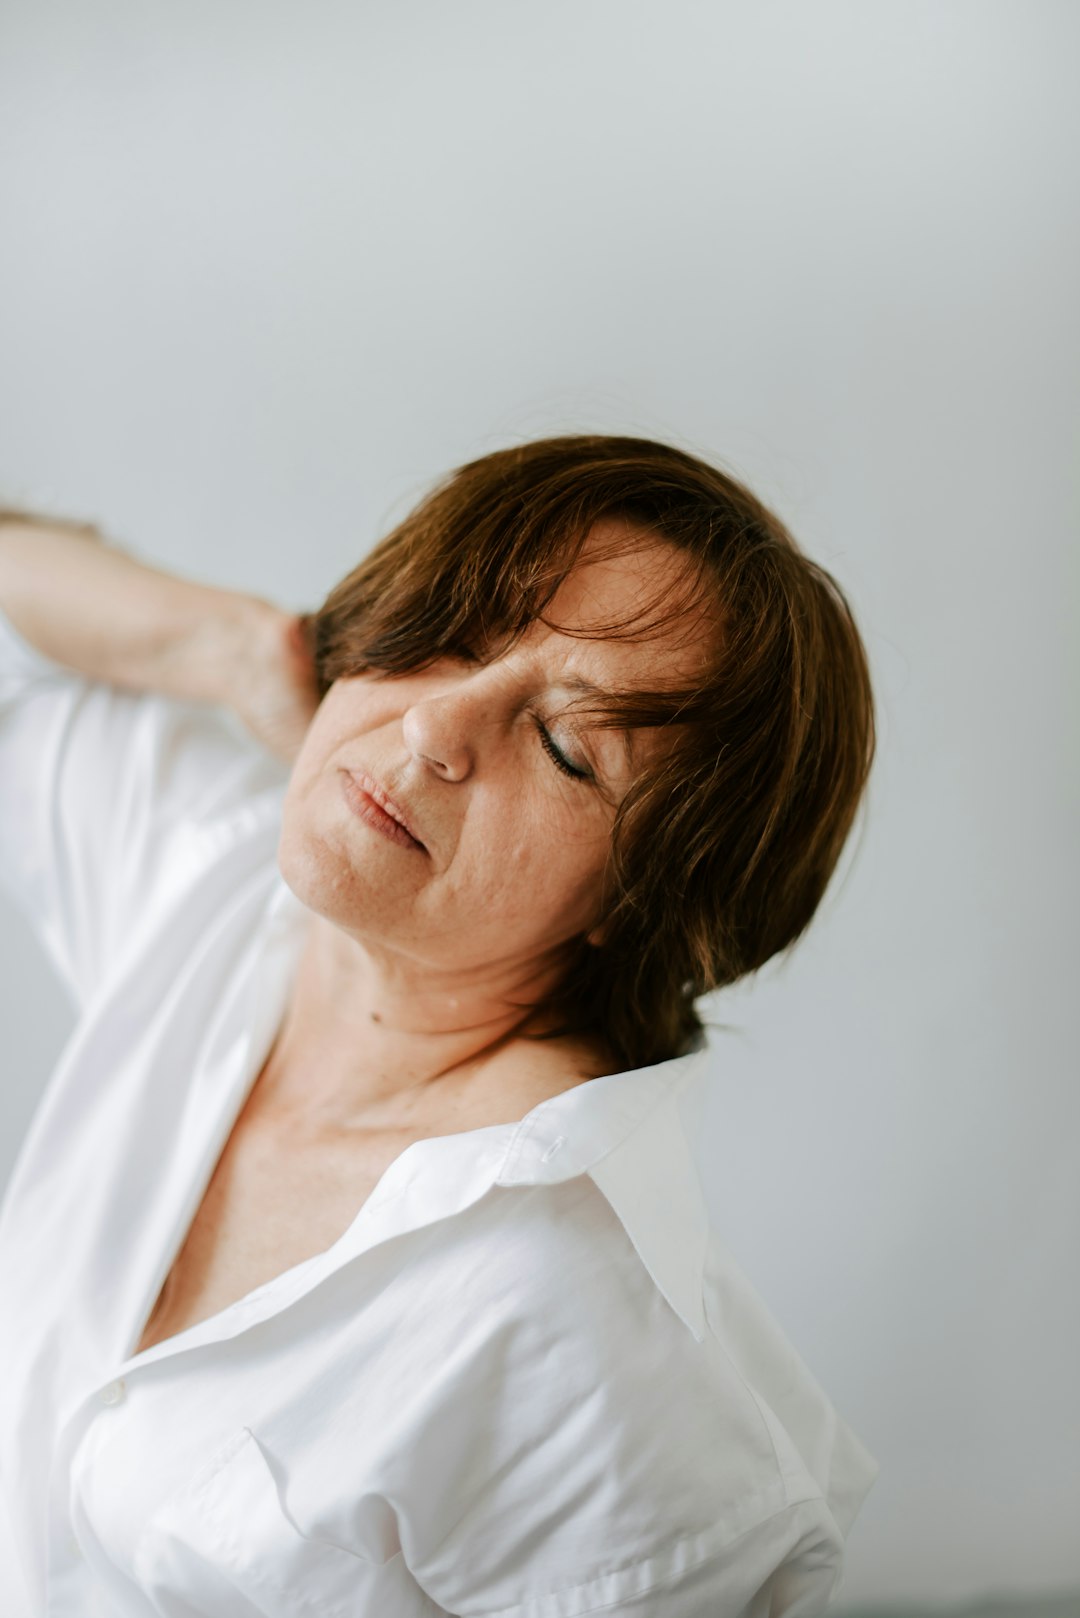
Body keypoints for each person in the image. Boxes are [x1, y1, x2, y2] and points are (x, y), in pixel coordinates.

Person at [0, 434, 880, 1616]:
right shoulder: (211, 889)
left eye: (569, 748)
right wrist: (238, 647)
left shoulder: (579, 1328)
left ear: (649, 898)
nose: (437, 727)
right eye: (453, 630)